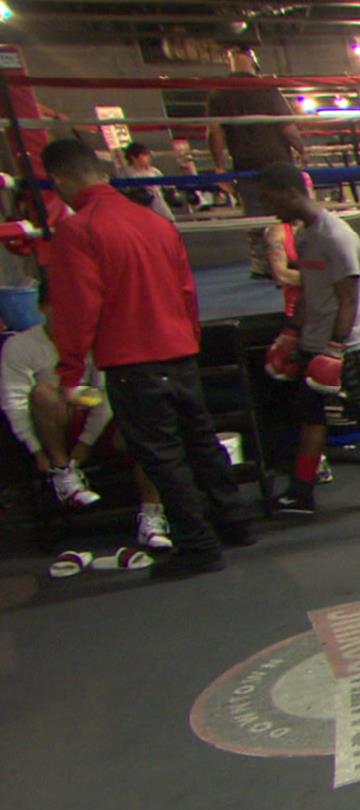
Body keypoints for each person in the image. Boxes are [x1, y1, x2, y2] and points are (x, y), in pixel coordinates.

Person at [43, 138, 253, 578]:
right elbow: (186, 290)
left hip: (132, 358)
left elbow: (79, 304)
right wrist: (188, 338)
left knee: (163, 454)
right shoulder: (154, 222)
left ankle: (198, 544)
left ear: (60, 180)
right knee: (200, 441)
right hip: (177, 350)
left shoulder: (78, 230)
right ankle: (236, 521)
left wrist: (69, 371)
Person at [257, 162, 360, 520]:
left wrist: (335, 348)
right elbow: (307, 289)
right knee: (311, 418)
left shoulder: (337, 236)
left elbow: (349, 297)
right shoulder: (304, 236)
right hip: (316, 341)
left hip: (352, 345)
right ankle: (302, 493)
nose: (270, 208)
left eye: (272, 199)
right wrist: (292, 331)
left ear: (290, 192)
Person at [2, 281, 170, 547]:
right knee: (43, 393)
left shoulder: (97, 339)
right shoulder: (19, 347)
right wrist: (36, 451)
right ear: (43, 308)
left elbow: (105, 395)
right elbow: (13, 402)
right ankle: (62, 470)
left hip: (95, 419)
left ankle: (152, 517)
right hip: (54, 425)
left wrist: (85, 444)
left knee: (145, 434)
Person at [207, 47, 305, 278]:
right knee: (291, 211)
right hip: (278, 163)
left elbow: (215, 133)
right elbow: (287, 126)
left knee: (256, 216)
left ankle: (264, 266)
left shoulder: (219, 92)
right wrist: (301, 149)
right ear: (252, 61)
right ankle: (296, 259)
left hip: (247, 164)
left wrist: (219, 166)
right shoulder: (267, 89)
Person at [119, 142, 174, 223]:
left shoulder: (154, 171)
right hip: (140, 211)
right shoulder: (126, 173)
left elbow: (167, 186)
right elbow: (122, 192)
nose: (148, 158)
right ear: (133, 157)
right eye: (144, 155)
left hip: (160, 209)